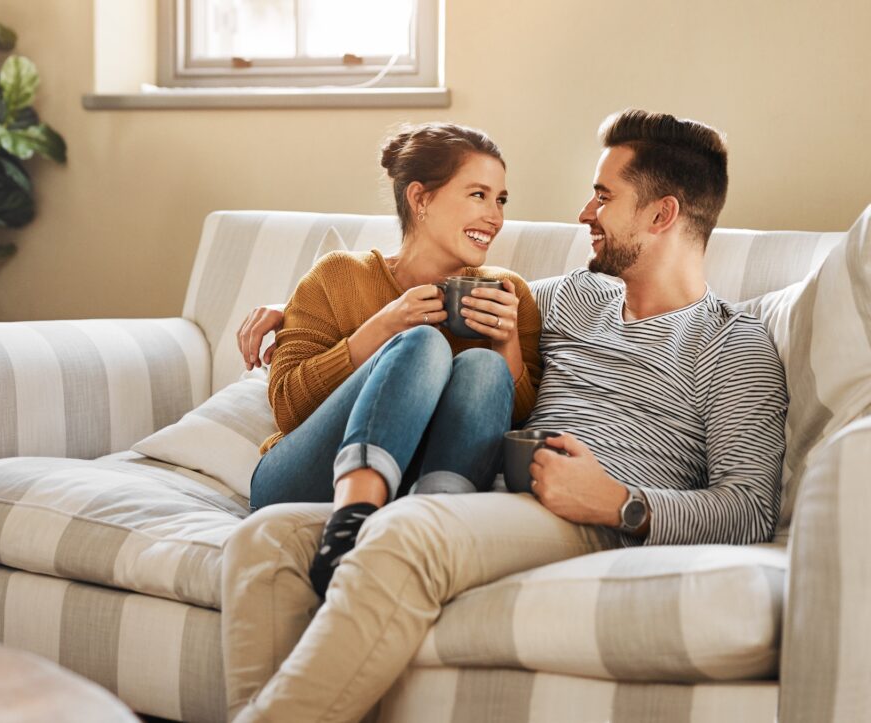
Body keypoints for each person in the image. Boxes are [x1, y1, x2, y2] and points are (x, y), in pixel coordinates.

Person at [223, 109, 788, 722]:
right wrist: (299, 309)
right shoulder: (574, 297)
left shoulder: (735, 345)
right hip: (485, 493)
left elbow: (751, 509)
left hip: (585, 516)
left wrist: (617, 502)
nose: (584, 214)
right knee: (265, 538)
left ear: (662, 214)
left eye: (603, 197)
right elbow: (445, 294)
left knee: (407, 533)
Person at [246, 122, 543, 596]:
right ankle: (350, 526)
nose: (495, 217)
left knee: (483, 367)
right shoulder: (338, 276)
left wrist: (504, 343)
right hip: (302, 482)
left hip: (417, 493)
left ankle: (433, 527)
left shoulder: (509, 293)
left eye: (501, 200)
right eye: (478, 195)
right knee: (424, 343)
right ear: (420, 199)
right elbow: (288, 407)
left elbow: (519, 422)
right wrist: (382, 328)